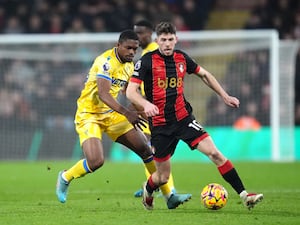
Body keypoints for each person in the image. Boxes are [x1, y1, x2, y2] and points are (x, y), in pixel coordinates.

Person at [126, 22, 264, 210]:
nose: (167, 44)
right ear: (157, 40)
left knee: (215, 153)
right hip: (160, 126)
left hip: (184, 119)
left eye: (170, 39)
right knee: (162, 177)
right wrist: (145, 104)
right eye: (163, 40)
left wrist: (224, 95)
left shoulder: (182, 58)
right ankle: (148, 190)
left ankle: (245, 195)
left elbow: (205, 75)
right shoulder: (146, 61)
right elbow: (131, 92)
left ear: (176, 40)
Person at [55, 29, 191, 209]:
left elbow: (129, 93)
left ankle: (169, 196)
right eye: (128, 48)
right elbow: (104, 95)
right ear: (118, 45)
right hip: (89, 115)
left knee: (147, 151)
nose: (132, 52)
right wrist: (128, 113)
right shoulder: (105, 62)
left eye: (135, 49)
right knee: (96, 161)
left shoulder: (129, 66)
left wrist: (141, 111)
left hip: (112, 115)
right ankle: (65, 177)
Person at [132, 19, 177, 198]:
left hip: (154, 107)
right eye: (135, 32)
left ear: (150, 33)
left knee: (153, 150)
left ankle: (164, 188)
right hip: (147, 105)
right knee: (149, 149)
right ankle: (155, 184)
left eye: (141, 32)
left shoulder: (153, 51)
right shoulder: (145, 52)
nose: (137, 36)